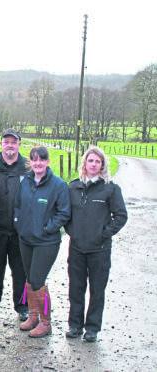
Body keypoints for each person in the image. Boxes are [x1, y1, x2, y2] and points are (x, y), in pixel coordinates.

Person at [65, 146, 127, 342]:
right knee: (76, 288)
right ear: (85, 163)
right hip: (76, 248)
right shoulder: (73, 187)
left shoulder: (111, 189)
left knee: (97, 290)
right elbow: (65, 213)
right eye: (90, 161)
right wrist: (71, 231)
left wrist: (104, 234)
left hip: (99, 249)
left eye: (97, 162)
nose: (93, 165)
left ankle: (92, 328)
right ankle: (75, 325)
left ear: (102, 165)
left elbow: (121, 216)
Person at [14, 146, 71, 338]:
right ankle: (33, 316)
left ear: (47, 161)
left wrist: (47, 228)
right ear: (30, 161)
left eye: (42, 159)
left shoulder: (58, 185)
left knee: (38, 280)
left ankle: (46, 323)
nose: (38, 163)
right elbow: (18, 205)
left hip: (46, 242)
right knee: (29, 279)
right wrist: (18, 224)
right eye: (34, 159)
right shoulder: (25, 182)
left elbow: (64, 213)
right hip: (26, 239)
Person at [0, 128, 29, 321]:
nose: (10, 145)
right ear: (1, 143)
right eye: (6, 141)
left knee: (20, 271)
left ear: (19, 144)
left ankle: (22, 306)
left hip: (20, 231)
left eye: (14, 141)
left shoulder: (27, 167)